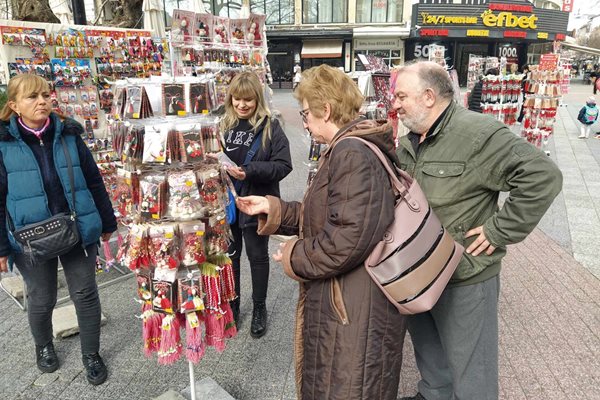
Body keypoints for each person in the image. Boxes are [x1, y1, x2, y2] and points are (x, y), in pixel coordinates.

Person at [392, 62, 562, 400]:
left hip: (463, 276)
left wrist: (499, 231)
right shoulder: (411, 138)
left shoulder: (478, 133)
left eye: (401, 96)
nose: (395, 103)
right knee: (429, 353)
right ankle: (433, 394)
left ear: (428, 96)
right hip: (417, 273)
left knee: (474, 373)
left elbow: (544, 177)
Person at [236, 64, 407, 399]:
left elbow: (346, 240)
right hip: (349, 302)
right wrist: (277, 209)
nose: (305, 123)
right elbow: (334, 215)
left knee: (343, 386)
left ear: (325, 110)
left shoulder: (352, 153)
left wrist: (292, 255)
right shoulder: (349, 148)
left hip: (352, 311)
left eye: (305, 114)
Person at [0, 74, 117, 385]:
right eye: (31, 97)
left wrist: (107, 222)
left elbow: (94, 180)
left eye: (45, 94)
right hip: (29, 237)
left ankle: (91, 354)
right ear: (14, 106)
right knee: (41, 298)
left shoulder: (68, 134)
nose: (42, 101)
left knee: (85, 293)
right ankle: (44, 347)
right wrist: (1, 247)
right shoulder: (3, 145)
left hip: (77, 228)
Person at [220, 71, 292, 338]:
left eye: (248, 100)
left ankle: (259, 307)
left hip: (257, 202)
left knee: (257, 256)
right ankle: (234, 304)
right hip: (228, 203)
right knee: (231, 256)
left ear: (257, 99)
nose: (242, 105)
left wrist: (248, 171)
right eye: (237, 99)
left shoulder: (270, 126)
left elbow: (284, 165)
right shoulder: (223, 125)